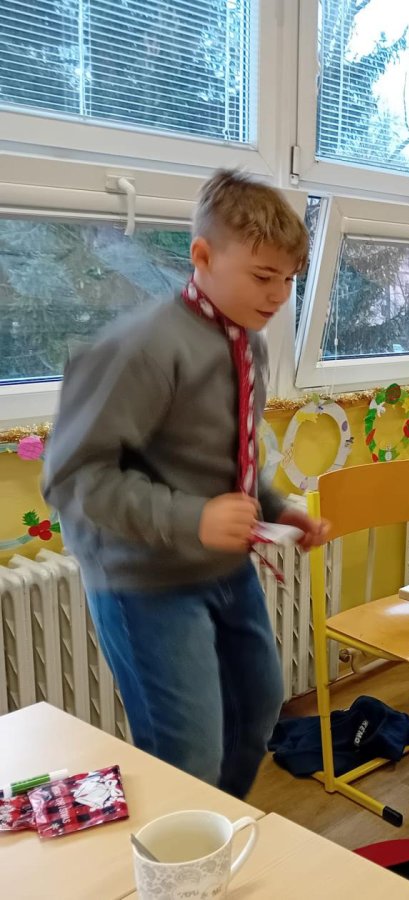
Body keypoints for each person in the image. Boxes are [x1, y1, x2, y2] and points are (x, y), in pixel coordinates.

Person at [42, 170, 329, 799]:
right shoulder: (140, 347)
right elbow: (70, 478)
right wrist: (192, 518)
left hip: (222, 568)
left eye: (289, 279)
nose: (279, 294)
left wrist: (277, 508)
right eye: (263, 276)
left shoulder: (246, 343)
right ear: (202, 256)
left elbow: (228, 458)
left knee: (258, 711)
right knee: (187, 757)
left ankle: (209, 833)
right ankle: (182, 844)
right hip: (145, 580)